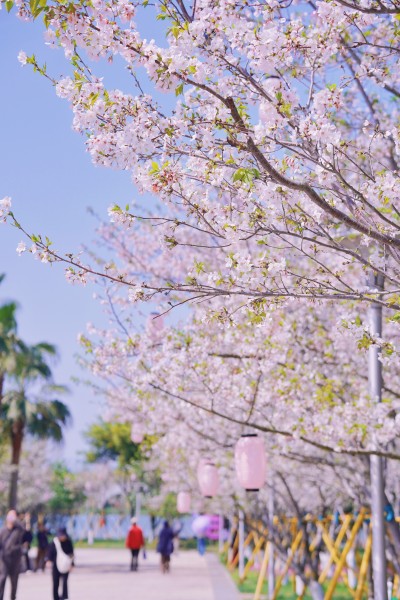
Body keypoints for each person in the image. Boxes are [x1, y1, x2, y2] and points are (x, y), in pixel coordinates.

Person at [0, 510, 25, 600]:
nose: (11, 519)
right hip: (4, 561)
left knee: (14, 584)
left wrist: (15, 520)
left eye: (13, 517)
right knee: (1, 581)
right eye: (9, 517)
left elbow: (23, 528)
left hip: (15, 561)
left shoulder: (18, 530)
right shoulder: (2, 531)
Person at [47, 528, 74, 600]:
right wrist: (48, 560)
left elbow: (72, 554)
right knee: (55, 582)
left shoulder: (68, 542)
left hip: (66, 564)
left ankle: (64, 596)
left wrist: (72, 564)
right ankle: (55, 597)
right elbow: (50, 552)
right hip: (56, 565)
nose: (61, 537)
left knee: (65, 581)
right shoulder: (54, 542)